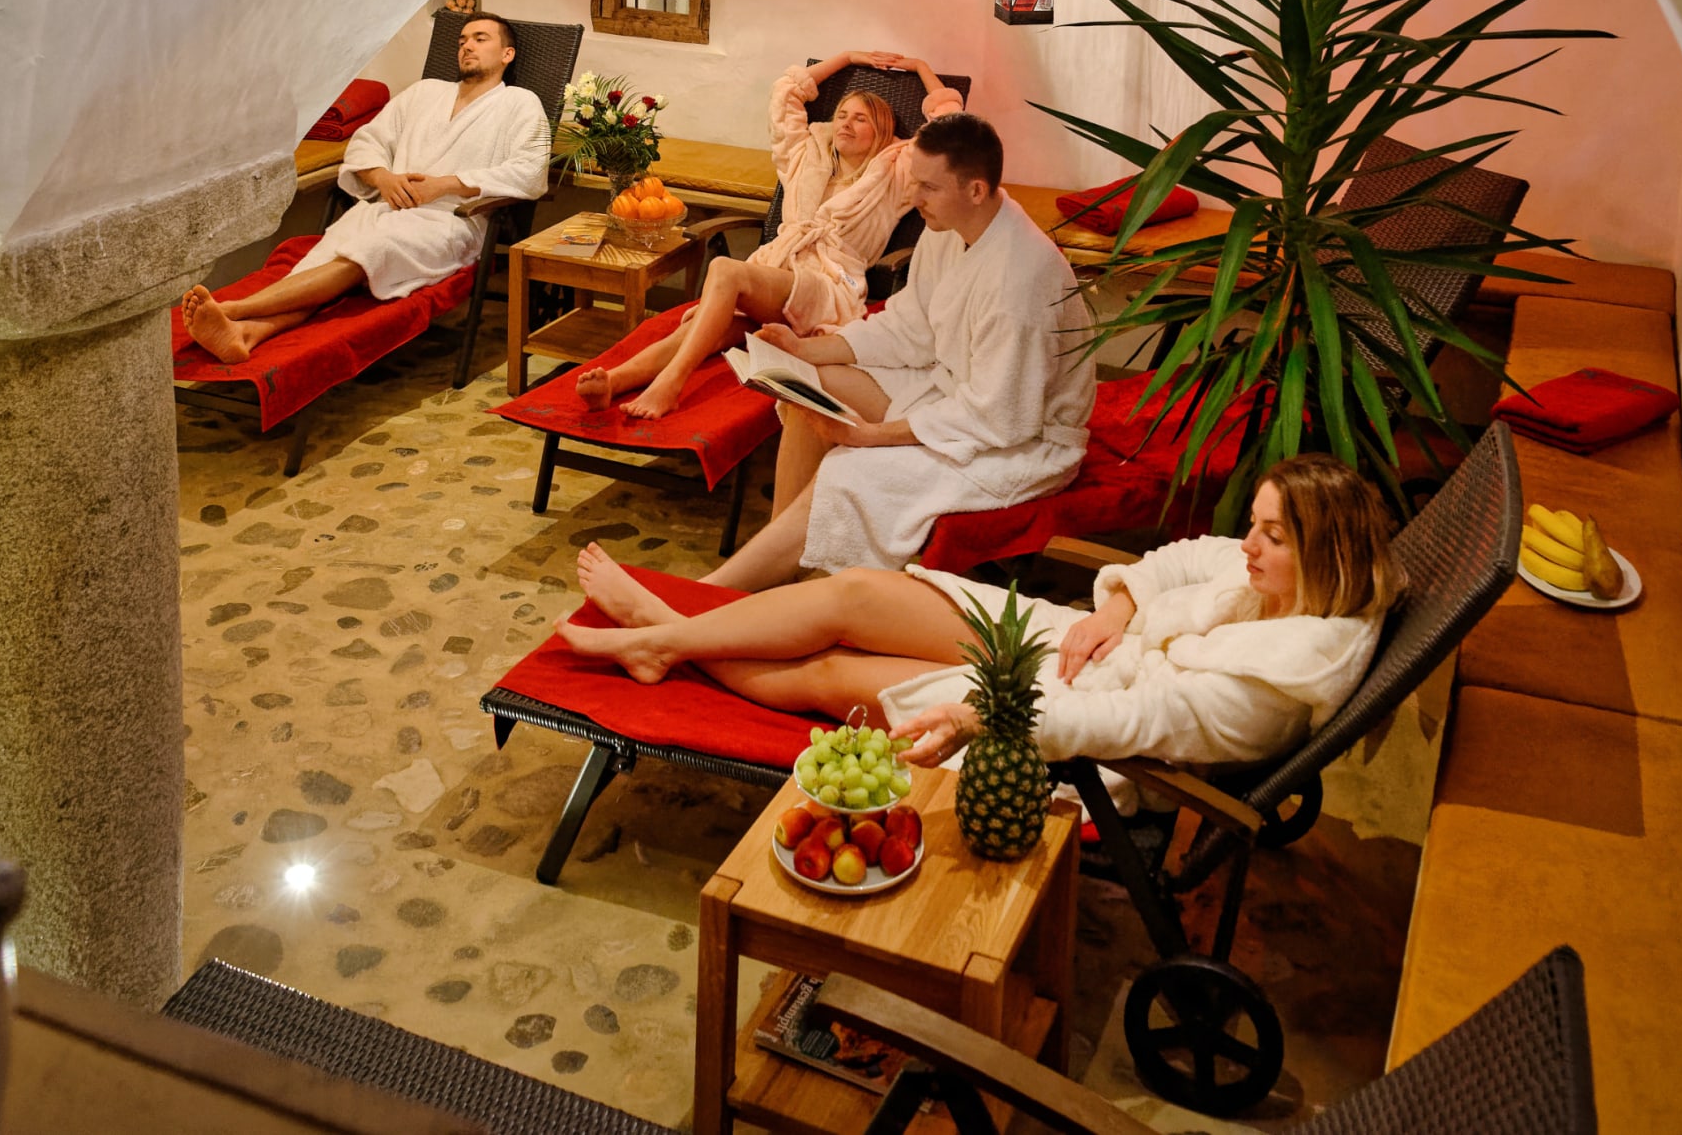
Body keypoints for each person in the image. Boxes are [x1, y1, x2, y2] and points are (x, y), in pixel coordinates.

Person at [554, 455, 1403, 768]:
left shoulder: (1266, 687)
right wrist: (1120, 605)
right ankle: (667, 631)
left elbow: (1128, 722)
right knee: (858, 591)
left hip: (1060, 717)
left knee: (832, 673)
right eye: (1252, 526)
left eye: (1271, 537)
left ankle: (661, 640)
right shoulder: (1274, 580)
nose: (1246, 547)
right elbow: (1180, 557)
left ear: (1323, 555)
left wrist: (982, 713)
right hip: (1076, 647)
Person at [700, 111, 1096, 591]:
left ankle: (721, 590)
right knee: (805, 390)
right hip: (949, 393)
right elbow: (909, 327)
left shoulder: (1020, 280)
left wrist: (873, 437)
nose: (913, 197)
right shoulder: (949, 229)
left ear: (975, 190)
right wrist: (805, 349)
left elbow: (1000, 417)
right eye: (914, 181)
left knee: (850, 473)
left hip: (1019, 445)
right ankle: (779, 558)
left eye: (927, 187)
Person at [576, 51, 961, 420]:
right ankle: (615, 381)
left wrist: (919, 66)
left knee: (726, 270)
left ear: (883, 130)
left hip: (829, 286)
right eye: (842, 115)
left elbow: (950, 127)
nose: (845, 123)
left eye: (860, 119)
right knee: (703, 330)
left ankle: (671, 384)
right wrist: (847, 57)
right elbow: (786, 92)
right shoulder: (805, 155)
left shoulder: (896, 172)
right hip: (777, 275)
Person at [181, 13, 551, 364]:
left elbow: (531, 170)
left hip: (450, 222)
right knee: (325, 259)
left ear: (507, 54)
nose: (467, 46)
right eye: (462, 40)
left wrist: (445, 185)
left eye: (480, 39)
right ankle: (247, 334)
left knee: (367, 252)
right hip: (387, 210)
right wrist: (382, 178)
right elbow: (367, 140)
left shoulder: (520, 104)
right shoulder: (424, 92)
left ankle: (234, 309)